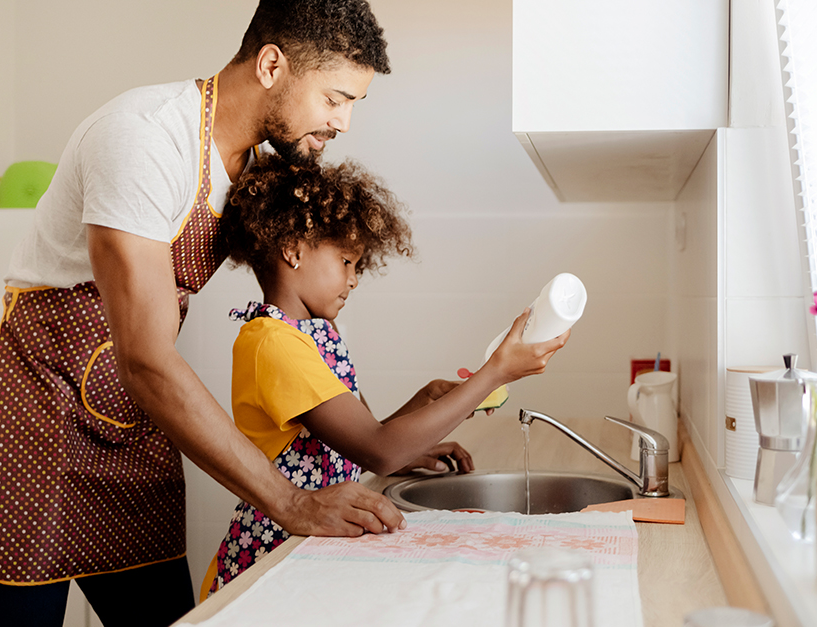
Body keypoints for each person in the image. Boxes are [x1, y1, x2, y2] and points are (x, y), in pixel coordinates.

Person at [0, 2, 408, 626]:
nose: (343, 121)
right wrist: (289, 502)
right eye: (334, 98)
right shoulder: (145, 139)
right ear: (272, 64)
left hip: (125, 423)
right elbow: (148, 360)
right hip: (25, 416)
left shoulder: (246, 165)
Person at [200, 155, 569, 598]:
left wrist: (425, 404)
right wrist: (493, 375)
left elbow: (358, 439)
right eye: (347, 261)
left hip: (313, 543)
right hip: (274, 556)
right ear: (294, 249)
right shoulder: (272, 343)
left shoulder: (313, 332)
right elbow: (380, 451)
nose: (354, 280)